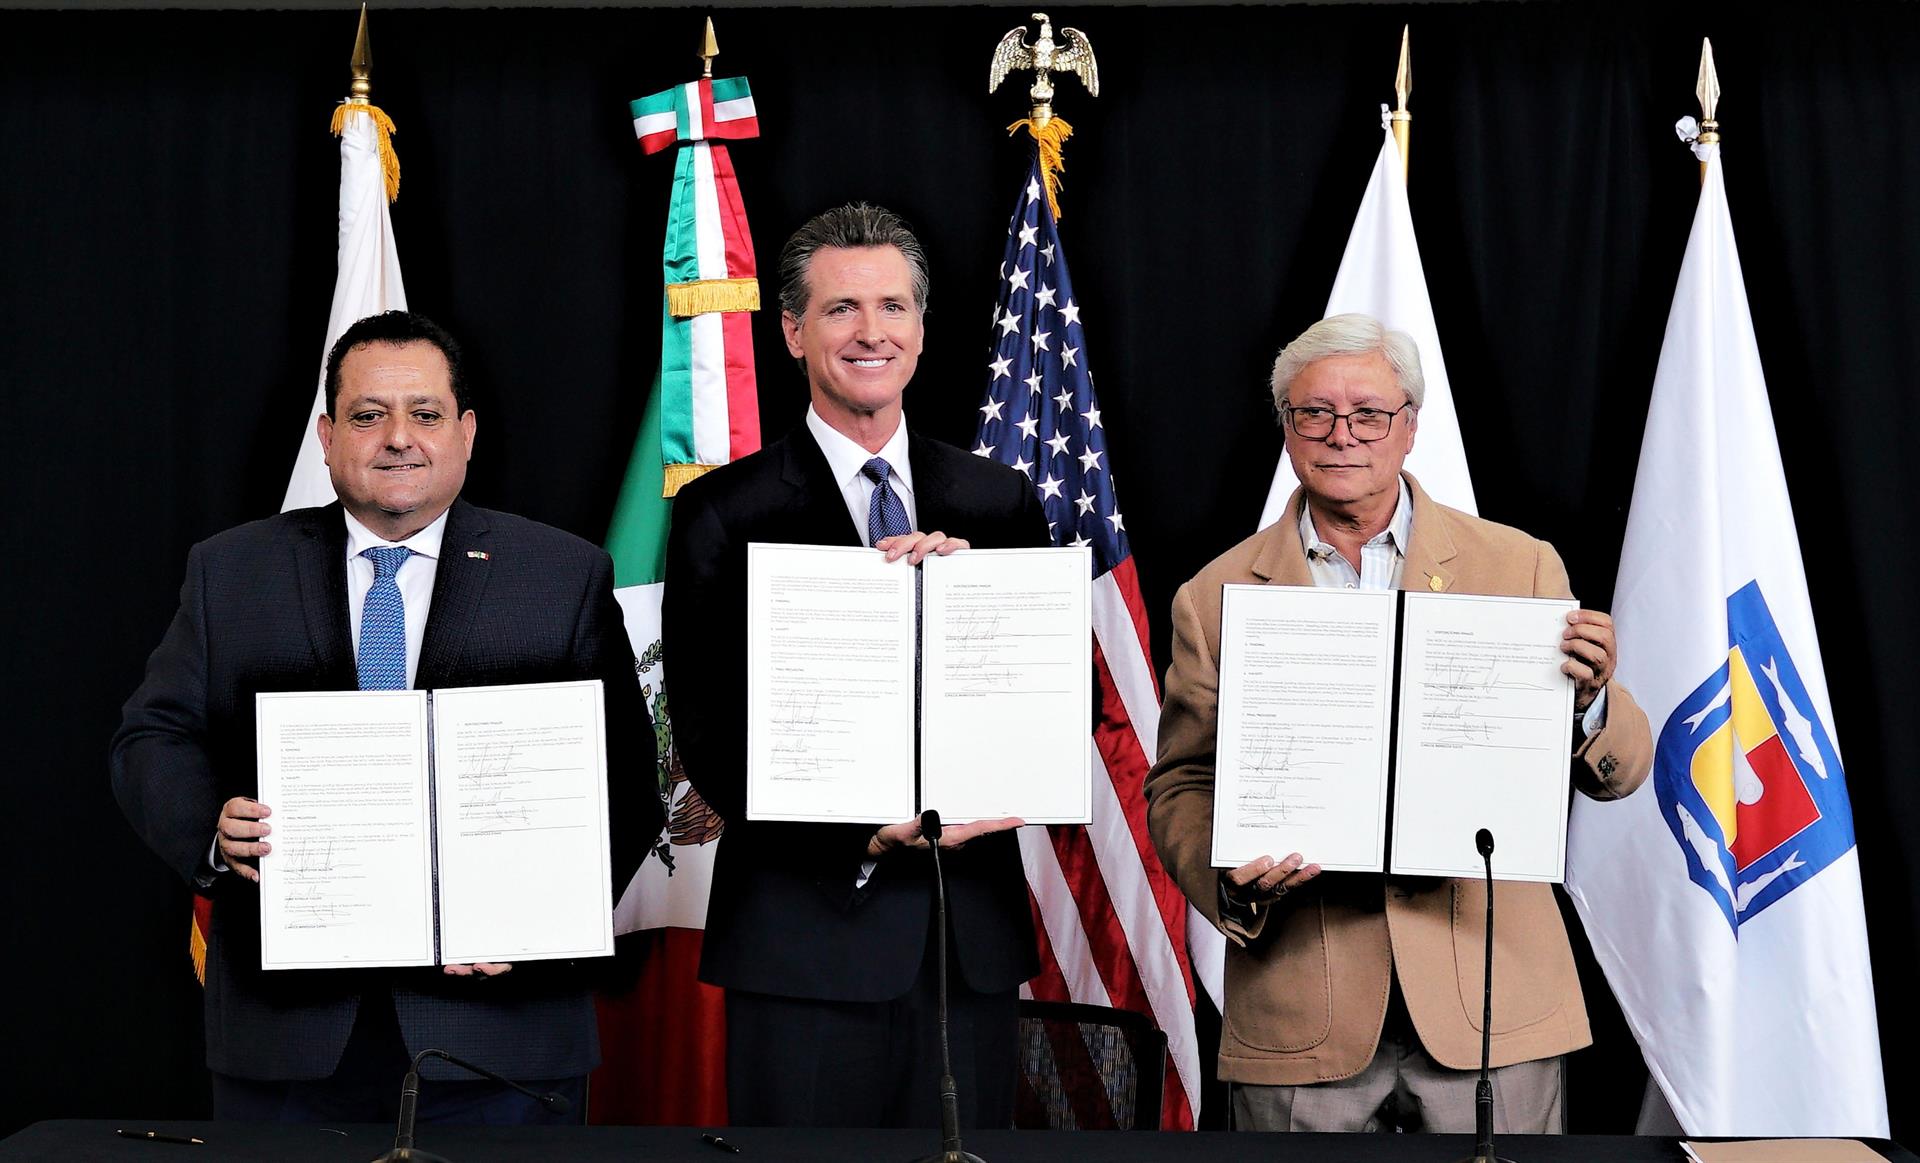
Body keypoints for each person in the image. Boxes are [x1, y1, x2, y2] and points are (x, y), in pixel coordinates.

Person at [111, 310, 658, 1123]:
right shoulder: (230, 572)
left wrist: (541, 919)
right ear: (328, 437)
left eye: (426, 414)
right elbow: (151, 739)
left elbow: (629, 787)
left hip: (501, 1040)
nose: (399, 437)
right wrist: (209, 828)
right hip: (289, 1041)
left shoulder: (562, 576)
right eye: (369, 415)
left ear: (466, 433)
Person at [1145, 313, 1653, 1134]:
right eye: (1314, 413)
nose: (1342, 434)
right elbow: (1179, 784)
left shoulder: (1518, 565)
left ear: (1410, 426)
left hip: (1493, 998)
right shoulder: (1216, 594)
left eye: (1369, 414)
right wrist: (1227, 875)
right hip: (1301, 1002)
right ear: (1286, 429)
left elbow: (1623, 770)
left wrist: (1591, 700)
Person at [664, 203, 1048, 1127]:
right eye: (841, 310)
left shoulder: (998, 504)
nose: (870, 332)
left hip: (969, 946)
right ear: (793, 330)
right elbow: (709, 731)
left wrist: (972, 620)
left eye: (892, 307)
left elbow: (1046, 701)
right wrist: (861, 834)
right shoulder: (726, 510)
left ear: (920, 328)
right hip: (803, 943)